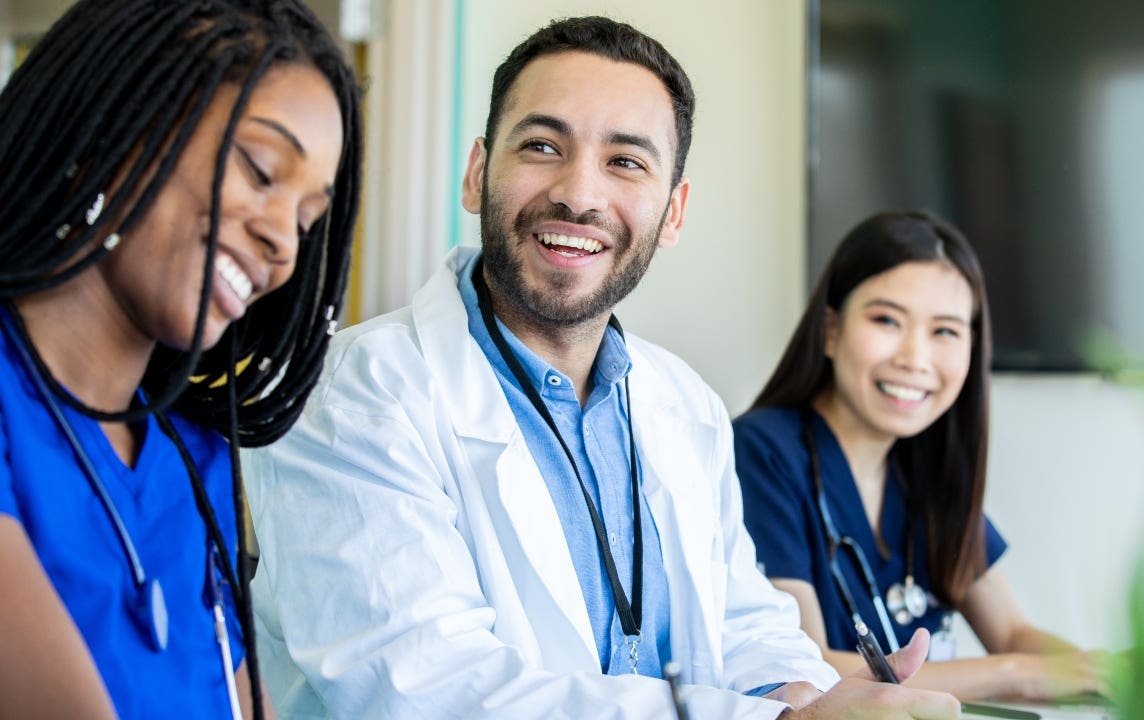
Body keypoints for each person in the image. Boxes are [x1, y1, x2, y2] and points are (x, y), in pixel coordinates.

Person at [244, 16, 960, 720]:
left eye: (625, 161)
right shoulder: (351, 395)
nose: (579, 194)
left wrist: (808, 695)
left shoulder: (686, 403)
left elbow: (741, 619)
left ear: (672, 213)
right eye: (542, 145)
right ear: (475, 175)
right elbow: (426, 691)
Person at [0, 1, 362, 717]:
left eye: (306, 218)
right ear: (117, 122)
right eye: (261, 170)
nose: (283, 244)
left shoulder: (195, 466)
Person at [734, 212, 1107, 701]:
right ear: (830, 330)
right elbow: (808, 661)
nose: (915, 358)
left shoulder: (927, 467)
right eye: (887, 320)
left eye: (946, 331)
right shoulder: (761, 451)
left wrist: (1109, 676)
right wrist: (1018, 673)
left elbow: (1014, 635)